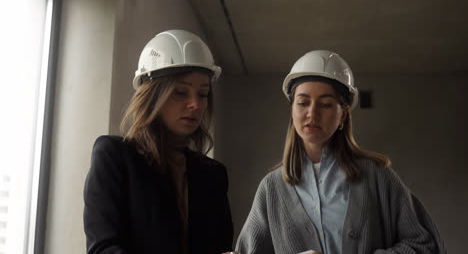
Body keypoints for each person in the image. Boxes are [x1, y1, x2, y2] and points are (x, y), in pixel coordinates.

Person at [235, 50, 446, 254]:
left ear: (343, 115)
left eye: (325, 104)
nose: (312, 113)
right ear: (292, 110)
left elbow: (425, 245)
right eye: (302, 103)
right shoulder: (271, 189)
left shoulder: (377, 176)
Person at [83, 30, 233, 254]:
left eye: (202, 94)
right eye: (180, 92)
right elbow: (103, 249)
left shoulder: (213, 175)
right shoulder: (114, 157)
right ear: (153, 95)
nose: (195, 104)